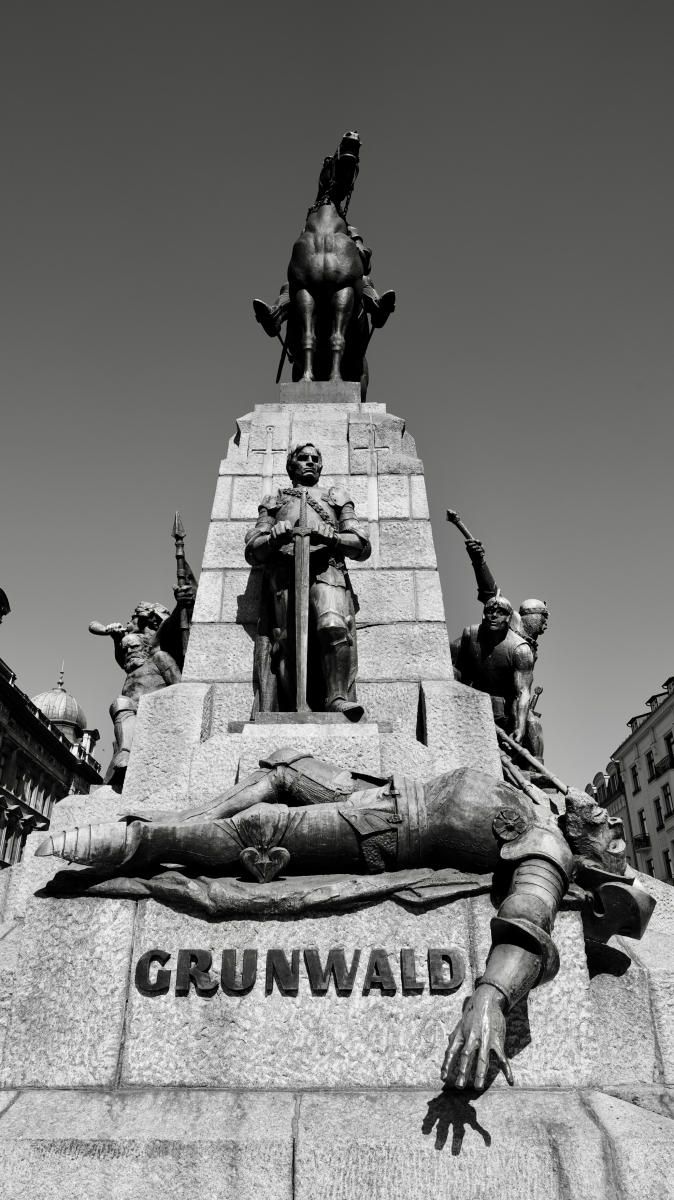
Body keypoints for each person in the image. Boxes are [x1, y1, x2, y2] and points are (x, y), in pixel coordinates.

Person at [37, 746, 654, 1090]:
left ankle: (140, 841)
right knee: (285, 764)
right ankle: (176, 819)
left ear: (592, 858)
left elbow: (527, 921)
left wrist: (491, 997)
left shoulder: (546, 847)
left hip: (380, 830)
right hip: (372, 790)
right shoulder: (537, 802)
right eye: (611, 824)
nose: (606, 818)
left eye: (612, 835)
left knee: (260, 831)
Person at [245, 441, 370, 718]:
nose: (310, 461)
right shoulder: (275, 499)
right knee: (287, 641)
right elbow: (253, 551)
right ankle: (293, 706)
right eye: (303, 458)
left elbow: (362, 546)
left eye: (315, 458)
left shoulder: (336, 497)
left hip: (327, 569)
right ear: (291, 465)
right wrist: (273, 539)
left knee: (333, 626)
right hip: (285, 573)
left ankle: (337, 698)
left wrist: (334, 538)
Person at [89, 581, 195, 785]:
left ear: (146, 618)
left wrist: (181, 604)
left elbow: (169, 626)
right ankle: (124, 755)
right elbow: (94, 627)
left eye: (133, 618)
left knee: (122, 704)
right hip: (129, 713)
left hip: (154, 711)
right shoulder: (133, 658)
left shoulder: (157, 651)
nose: (128, 622)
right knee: (120, 703)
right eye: (126, 649)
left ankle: (126, 754)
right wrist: (113, 635)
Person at [452, 592, 535, 744]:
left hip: (505, 713)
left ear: (509, 618)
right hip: (473, 703)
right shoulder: (470, 634)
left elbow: (522, 692)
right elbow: (460, 670)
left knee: (534, 726)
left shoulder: (520, 649)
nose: (494, 616)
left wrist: (520, 727)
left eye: (500, 612)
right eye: (489, 611)